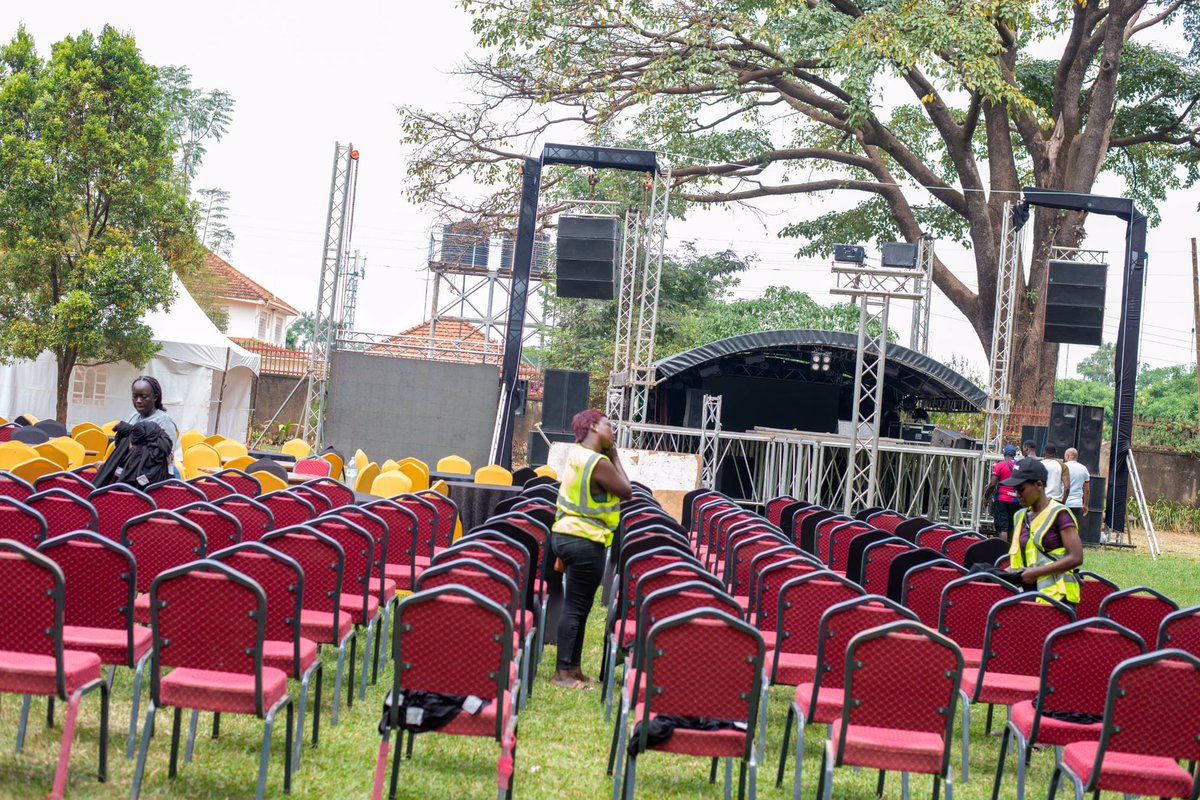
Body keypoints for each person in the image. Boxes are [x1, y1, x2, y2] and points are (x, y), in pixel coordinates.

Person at [551, 409, 632, 690]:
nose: (613, 430)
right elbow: (627, 491)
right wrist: (616, 456)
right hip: (584, 539)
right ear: (594, 427)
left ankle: (573, 668)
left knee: (581, 606)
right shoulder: (599, 462)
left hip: (565, 533)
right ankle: (562, 674)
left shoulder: (577, 454)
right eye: (609, 425)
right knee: (575, 607)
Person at [1001, 457, 1083, 606]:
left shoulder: (1059, 514)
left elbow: (1076, 557)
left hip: (1057, 599)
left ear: (1038, 485)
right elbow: (1024, 559)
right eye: (1015, 490)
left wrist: (1036, 572)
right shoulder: (1020, 516)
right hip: (1027, 594)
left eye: (1021, 490)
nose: (1017, 495)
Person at [128, 375, 178, 451]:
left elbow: (168, 453)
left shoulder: (164, 421)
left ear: (155, 397)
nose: (138, 401)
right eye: (135, 396)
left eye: (143, 396)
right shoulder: (133, 417)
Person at [983, 444, 1021, 540]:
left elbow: (992, 484)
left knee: (1003, 528)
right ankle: (1010, 548)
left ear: (1004, 454)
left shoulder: (1000, 465)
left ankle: (1002, 548)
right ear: (1014, 454)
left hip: (1001, 499)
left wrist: (986, 497)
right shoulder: (1019, 466)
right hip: (1015, 500)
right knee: (1012, 527)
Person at [1063, 447, 1091, 518]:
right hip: (1077, 504)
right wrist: (1085, 505)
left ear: (1067, 456)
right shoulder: (1084, 469)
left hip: (1063, 502)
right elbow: (1087, 490)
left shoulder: (1063, 467)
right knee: (1074, 524)